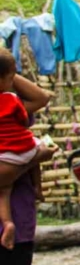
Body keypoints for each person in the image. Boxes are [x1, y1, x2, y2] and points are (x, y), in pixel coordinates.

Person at [0, 74, 57, 265]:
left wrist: (7, 72)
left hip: (19, 231)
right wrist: (36, 157)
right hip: (5, 236)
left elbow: (42, 97)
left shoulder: (8, 106)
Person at [0, 50, 44, 250]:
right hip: (15, 233)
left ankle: (7, 221)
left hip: (19, 220)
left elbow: (40, 98)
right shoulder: (10, 101)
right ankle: (38, 187)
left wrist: (7, 71)